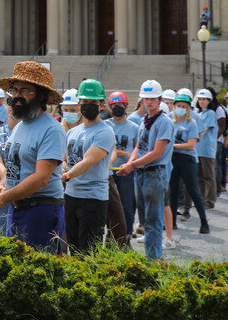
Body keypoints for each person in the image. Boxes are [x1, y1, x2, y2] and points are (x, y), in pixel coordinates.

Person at [0, 62, 67, 254]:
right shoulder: (20, 126)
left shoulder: (52, 129)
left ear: (41, 95)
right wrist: (3, 187)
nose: (17, 96)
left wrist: (3, 198)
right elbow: (15, 167)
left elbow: (41, 177)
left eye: (25, 90)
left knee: (38, 273)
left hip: (41, 211)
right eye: (14, 90)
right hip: (17, 207)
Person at [116, 80, 175, 260]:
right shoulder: (144, 121)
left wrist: (131, 164)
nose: (149, 102)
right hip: (141, 173)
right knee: (144, 219)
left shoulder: (164, 122)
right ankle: (150, 257)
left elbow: (157, 152)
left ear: (159, 100)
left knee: (153, 220)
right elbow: (138, 147)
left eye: (152, 98)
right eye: (145, 98)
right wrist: (130, 163)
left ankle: (154, 259)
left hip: (155, 173)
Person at [60, 79, 115, 254]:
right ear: (79, 104)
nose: (88, 106)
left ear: (101, 105)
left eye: (93, 103)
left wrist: (66, 175)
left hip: (93, 199)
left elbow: (88, 161)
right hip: (71, 195)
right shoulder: (73, 132)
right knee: (74, 248)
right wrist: (62, 168)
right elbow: (65, 158)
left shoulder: (105, 132)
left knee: (89, 251)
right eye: (85, 102)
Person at [167, 89, 209, 236]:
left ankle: (204, 221)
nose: (181, 108)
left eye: (184, 106)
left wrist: (171, 145)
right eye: (178, 105)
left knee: (193, 190)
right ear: (174, 106)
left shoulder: (191, 123)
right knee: (172, 191)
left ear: (188, 108)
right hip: (173, 158)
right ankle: (171, 222)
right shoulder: (168, 120)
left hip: (187, 159)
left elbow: (191, 145)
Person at [106, 90, 141, 240]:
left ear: (126, 107)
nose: (117, 107)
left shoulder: (134, 127)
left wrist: (127, 157)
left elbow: (137, 148)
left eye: (120, 104)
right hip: (108, 172)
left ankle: (126, 235)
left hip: (126, 172)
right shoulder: (104, 125)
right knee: (108, 206)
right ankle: (110, 235)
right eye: (114, 105)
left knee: (127, 205)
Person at [194, 89, 220, 209]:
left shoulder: (211, 114)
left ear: (209, 101)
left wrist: (192, 136)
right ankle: (201, 199)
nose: (201, 101)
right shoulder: (198, 114)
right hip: (197, 149)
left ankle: (209, 200)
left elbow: (204, 130)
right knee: (199, 176)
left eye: (204, 99)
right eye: (199, 99)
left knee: (208, 176)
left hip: (207, 150)